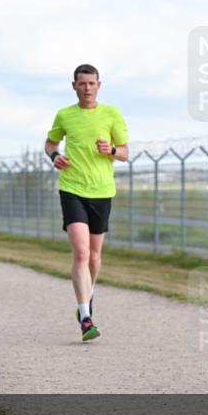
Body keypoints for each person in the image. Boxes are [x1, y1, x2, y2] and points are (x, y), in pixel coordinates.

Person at [44, 64, 129, 341]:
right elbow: (49, 143)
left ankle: (87, 297)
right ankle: (85, 318)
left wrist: (112, 150)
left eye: (91, 83)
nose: (87, 88)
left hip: (102, 191)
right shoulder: (65, 115)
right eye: (82, 84)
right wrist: (54, 155)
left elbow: (126, 152)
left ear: (99, 85)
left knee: (94, 256)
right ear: (74, 86)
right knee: (80, 253)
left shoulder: (112, 114)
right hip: (72, 188)